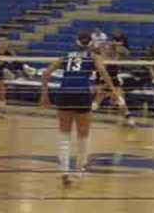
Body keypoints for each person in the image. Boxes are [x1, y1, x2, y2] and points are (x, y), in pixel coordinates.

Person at [40, 31, 120, 186]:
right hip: (81, 94)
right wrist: (114, 92)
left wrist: (44, 95)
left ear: (76, 42)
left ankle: (64, 171)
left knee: (64, 135)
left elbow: (46, 73)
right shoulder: (93, 57)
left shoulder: (66, 55)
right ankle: (78, 171)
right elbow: (104, 74)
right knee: (83, 135)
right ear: (91, 44)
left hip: (64, 93)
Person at [91, 43, 135, 126]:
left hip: (114, 83)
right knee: (96, 102)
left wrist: (115, 44)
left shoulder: (116, 56)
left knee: (121, 100)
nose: (107, 50)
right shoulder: (99, 58)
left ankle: (129, 118)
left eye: (109, 49)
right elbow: (92, 51)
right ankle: (87, 117)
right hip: (102, 82)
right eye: (105, 48)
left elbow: (127, 52)